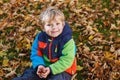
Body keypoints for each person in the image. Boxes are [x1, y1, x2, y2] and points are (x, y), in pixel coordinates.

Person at [13, 6, 76, 80]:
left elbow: (67, 60)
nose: (54, 27)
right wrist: (39, 65)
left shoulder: (67, 40)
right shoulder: (40, 37)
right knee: (28, 76)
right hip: (44, 65)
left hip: (63, 69)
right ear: (43, 27)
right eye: (49, 25)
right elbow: (36, 53)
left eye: (57, 24)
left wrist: (51, 69)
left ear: (63, 24)